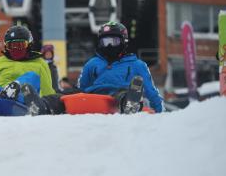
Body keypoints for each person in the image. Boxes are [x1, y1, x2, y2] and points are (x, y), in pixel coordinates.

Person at [22, 21, 164, 115]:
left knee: (122, 93)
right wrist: (73, 94)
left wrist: (159, 112)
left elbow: (151, 91)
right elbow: (82, 86)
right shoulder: (94, 63)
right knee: (64, 95)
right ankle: (43, 106)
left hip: (117, 93)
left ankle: (129, 104)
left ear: (123, 42)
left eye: (113, 41)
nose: (109, 46)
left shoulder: (137, 65)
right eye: (105, 42)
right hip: (94, 94)